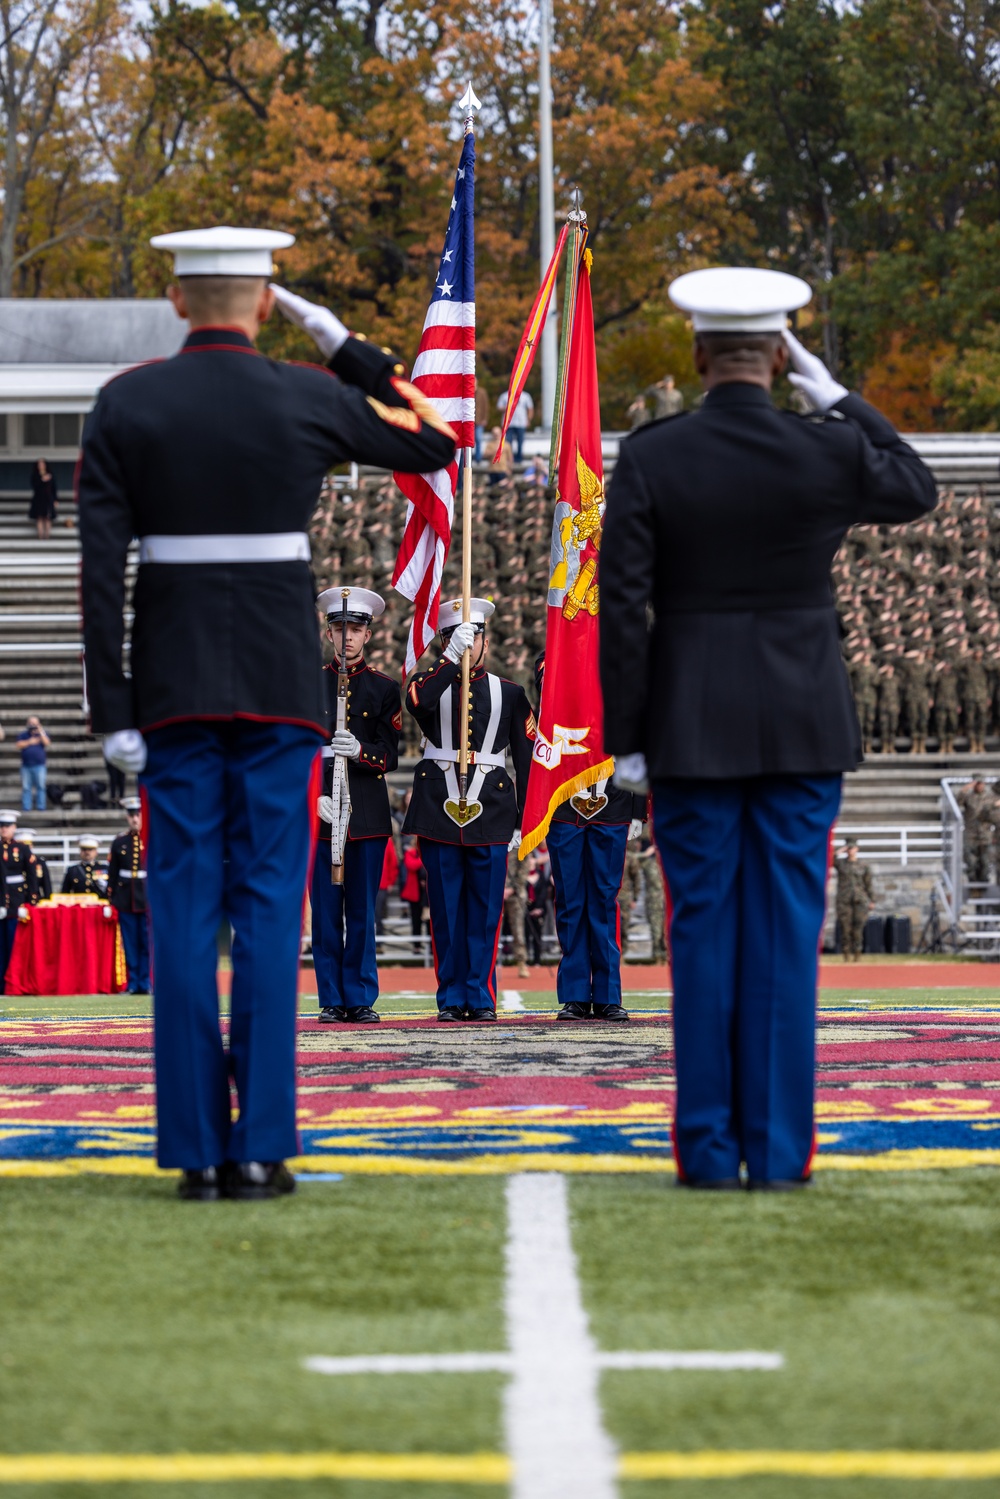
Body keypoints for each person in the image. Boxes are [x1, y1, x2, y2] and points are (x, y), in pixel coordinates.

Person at [78, 225, 456, 1202]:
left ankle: (198, 1150)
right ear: (262, 300)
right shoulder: (308, 392)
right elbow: (435, 438)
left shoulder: (127, 402)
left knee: (181, 912)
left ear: (175, 300)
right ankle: (263, 1144)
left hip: (171, 690)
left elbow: (98, 570)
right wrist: (345, 346)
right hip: (285, 691)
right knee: (266, 912)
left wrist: (111, 705)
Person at [599, 264, 936, 1189]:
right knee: (789, 935)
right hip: (800, 720)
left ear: (698, 352)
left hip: (689, 723)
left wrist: (626, 736)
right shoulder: (824, 448)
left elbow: (623, 606)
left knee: (700, 931)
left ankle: (707, 1150)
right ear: (780, 354)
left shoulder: (654, 456)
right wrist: (839, 395)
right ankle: (780, 1152)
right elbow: (916, 485)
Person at [403, 597, 535, 1020]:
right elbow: (418, 704)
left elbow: (526, 758)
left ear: (486, 640)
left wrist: (523, 818)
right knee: (444, 910)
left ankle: (479, 996)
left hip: (492, 809)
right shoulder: (428, 683)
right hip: (438, 808)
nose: (468, 643)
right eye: (458, 636)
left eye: (474, 635)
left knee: (485, 911)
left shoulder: (510, 693)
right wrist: (448, 656)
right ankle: (451, 997)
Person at [535, 652, 644, 1021]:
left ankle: (609, 993)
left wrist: (639, 807)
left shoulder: (625, 656)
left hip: (613, 800)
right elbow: (547, 694)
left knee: (603, 898)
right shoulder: (554, 653)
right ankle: (576, 994)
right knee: (570, 899)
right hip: (565, 800)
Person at [312, 586, 401, 1024]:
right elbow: (296, 751)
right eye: (340, 628)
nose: (348, 637)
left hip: (365, 813)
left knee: (362, 912)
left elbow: (391, 754)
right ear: (329, 632)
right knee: (326, 914)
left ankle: (360, 996)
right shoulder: (309, 683)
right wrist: (313, 797)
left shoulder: (384, 688)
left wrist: (360, 750)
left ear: (368, 635)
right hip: (322, 812)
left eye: (356, 629)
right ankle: (331, 998)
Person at [107, 799, 150, 994]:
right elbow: (113, 872)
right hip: (125, 897)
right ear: (127, 817)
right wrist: (111, 898)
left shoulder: (152, 839)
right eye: (132, 815)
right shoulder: (119, 842)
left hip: (148, 898)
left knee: (147, 942)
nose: (135, 819)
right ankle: (133, 982)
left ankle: (146, 981)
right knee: (130, 943)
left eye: (138, 815)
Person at [0, 811, 36, 986]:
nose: (4, 829)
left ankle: (13, 983)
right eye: (2, 826)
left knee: (15, 945)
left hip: (17, 901)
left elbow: (32, 877)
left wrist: (29, 902)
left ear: (14, 828)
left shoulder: (22, 848)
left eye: (7, 826)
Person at [835, 837, 875, 961]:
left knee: (858, 928)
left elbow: (868, 883)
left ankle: (857, 954)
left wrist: (872, 900)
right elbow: (829, 859)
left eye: (852, 848)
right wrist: (839, 851)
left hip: (860, 900)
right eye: (848, 848)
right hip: (844, 900)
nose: (850, 851)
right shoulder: (841, 863)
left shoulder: (863, 865)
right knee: (845, 929)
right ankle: (846, 954)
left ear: (857, 849)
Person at [957, 777, 995, 885]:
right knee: (971, 862)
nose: (980, 786)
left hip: (985, 834)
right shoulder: (968, 797)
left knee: (985, 862)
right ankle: (973, 882)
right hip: (971, 834)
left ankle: (984, 883)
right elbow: (957, 802)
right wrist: (965, 789)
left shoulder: (990, 797)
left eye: (981, 783)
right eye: (977, 784)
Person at [504, 843, 530, 977]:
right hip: (495, 893)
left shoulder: (520, 843)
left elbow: (524, 869)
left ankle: (522, 963)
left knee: (518, 930)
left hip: (516, 893)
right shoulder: (495, 840)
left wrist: (512, 888)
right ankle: (488, 965)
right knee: (490, 930)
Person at [16, 717, 49, 812]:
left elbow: (47, 743)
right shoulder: (23, 734)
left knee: (41, 787)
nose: (33, 726)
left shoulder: (42, 733)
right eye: (31, 723)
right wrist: (30, 741)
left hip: (40, 765)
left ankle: (41, 807)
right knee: (26, 787)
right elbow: (18, 745)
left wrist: (41, 731)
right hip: (26, 765)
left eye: (35, 723)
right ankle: (26, 807)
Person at [400, 839, 426, 948]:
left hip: (426, 894)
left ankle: (431, 949)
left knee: (429, 921)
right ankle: (417, 946)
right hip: (414, 893)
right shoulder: (410, 853)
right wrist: (422, 858)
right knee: (416, 920)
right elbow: (412, 865)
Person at [497, 388, 534, 462]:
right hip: (508, 423)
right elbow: (499, 407)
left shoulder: (525, 396)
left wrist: (528, 420)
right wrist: (509, 407)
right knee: (508, 441)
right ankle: (509, 458)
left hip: (521, 422)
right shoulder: (505, 395)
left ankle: (519, 458)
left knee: (520, 441)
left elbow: (530, 408)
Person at [376, 837, 399, 936]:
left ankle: (379, 940)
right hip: (379, 882)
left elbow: (393, 862)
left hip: (382, 883)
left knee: (378, 913)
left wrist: (390, 881)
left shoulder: (388, 841)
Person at [29, 459, 58, 540]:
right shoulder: (35, 475)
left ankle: (47, 536)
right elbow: (34, 486)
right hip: (38, 499)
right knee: (40, 518)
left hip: (48, 499)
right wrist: (42, 480)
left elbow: (54, 488)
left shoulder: (50, 475)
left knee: (47, 518)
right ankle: (41, 536)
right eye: (39, 464)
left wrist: (55, 499)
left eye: (42, 464)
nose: (41, 466)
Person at [474, 378, 490, 462]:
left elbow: (486, 406)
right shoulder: (468, 391)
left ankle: (478, 458)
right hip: (471, 421)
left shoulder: (482, 392)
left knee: (478, 438)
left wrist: (485, 418)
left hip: (479, 420)